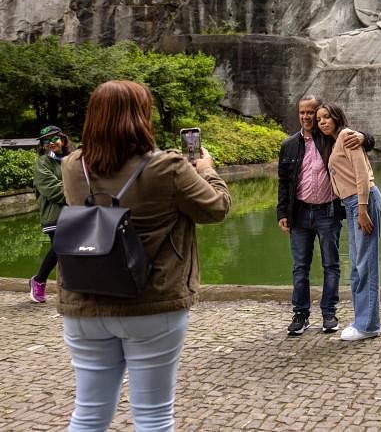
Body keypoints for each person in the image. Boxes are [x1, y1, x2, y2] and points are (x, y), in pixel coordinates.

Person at [59, 80, 231, 431]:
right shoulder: (167, 167)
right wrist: (206, 169)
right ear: (142, 116)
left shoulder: (74, 166)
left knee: (88, 413)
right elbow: (216, 208)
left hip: (84, 301)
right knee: (153, 415)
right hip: (152, 304)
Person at [276, 96, 374, 336]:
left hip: (327, 212)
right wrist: (281, 212)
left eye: (312, 112)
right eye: (303, 112)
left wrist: (364, 137)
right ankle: (300, 314)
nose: (308, 117)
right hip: (299, 213)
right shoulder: (289, 144)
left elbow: (355, 138)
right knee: (300, 267)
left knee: (331, 265)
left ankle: (329, 313)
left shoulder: (328, 138)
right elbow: (284, 182)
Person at [316, 102, 381, 341]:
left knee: (365, 264)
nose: (322, 121)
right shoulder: (333, 142)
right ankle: (362, 321)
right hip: (353, 204)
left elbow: (362, 174)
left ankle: (368, 325)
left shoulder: (346, 135)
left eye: (326, 117)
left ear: (337, 118)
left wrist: (363, 209)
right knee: (357, 264)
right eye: (319, 119)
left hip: (363, 201)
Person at [28, 125, 72, 303]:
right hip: (54, 214)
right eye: (46, 141)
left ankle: (71, 287)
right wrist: (77, 191)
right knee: (60, 249)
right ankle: (39, 281)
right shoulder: (43, 163)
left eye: (54, 138)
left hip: (75, 212)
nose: (50, 143)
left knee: (73, 251)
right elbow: (52, 190)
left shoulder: (72, 159)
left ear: (62, 139)